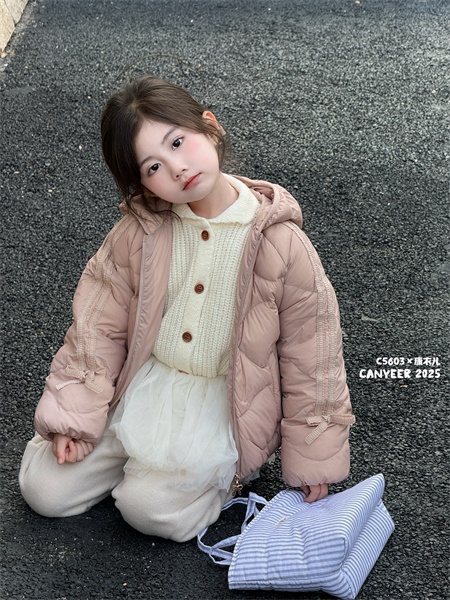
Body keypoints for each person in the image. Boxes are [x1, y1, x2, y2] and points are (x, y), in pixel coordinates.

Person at [19, 76, 355, 542]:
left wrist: (313, 458)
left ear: (209, 127)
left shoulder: (281, 242)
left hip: (220, 405)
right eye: (154, 166)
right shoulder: (139, 232)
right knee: (43, 490)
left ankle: (217, 477)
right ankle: (134, 463)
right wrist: (73, 420)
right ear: (142, 182)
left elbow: (312, 355)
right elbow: (97, 329)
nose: (177, 168)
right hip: (141, 387)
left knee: (147, 510)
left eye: (178, 142)